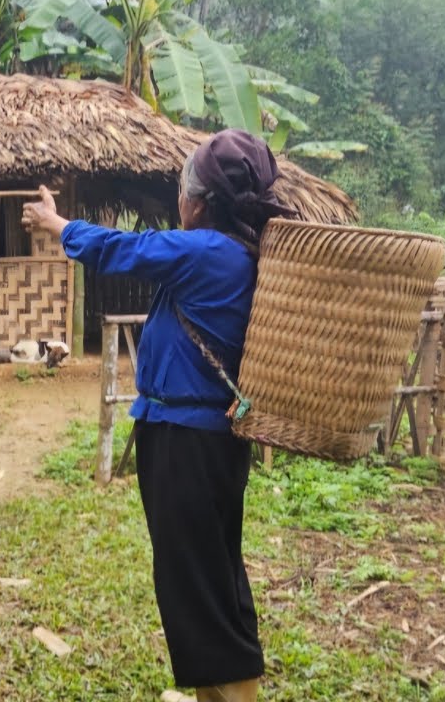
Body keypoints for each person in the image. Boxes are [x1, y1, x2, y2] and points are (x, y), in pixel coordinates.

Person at [22, 129, 296, 702]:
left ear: (197, 200)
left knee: (195, 582)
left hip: (186, 443)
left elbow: (127, 250)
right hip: (209, 439)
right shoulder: (240, 254)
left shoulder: (204, 251)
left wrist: (57, 226)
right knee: (209, 574)